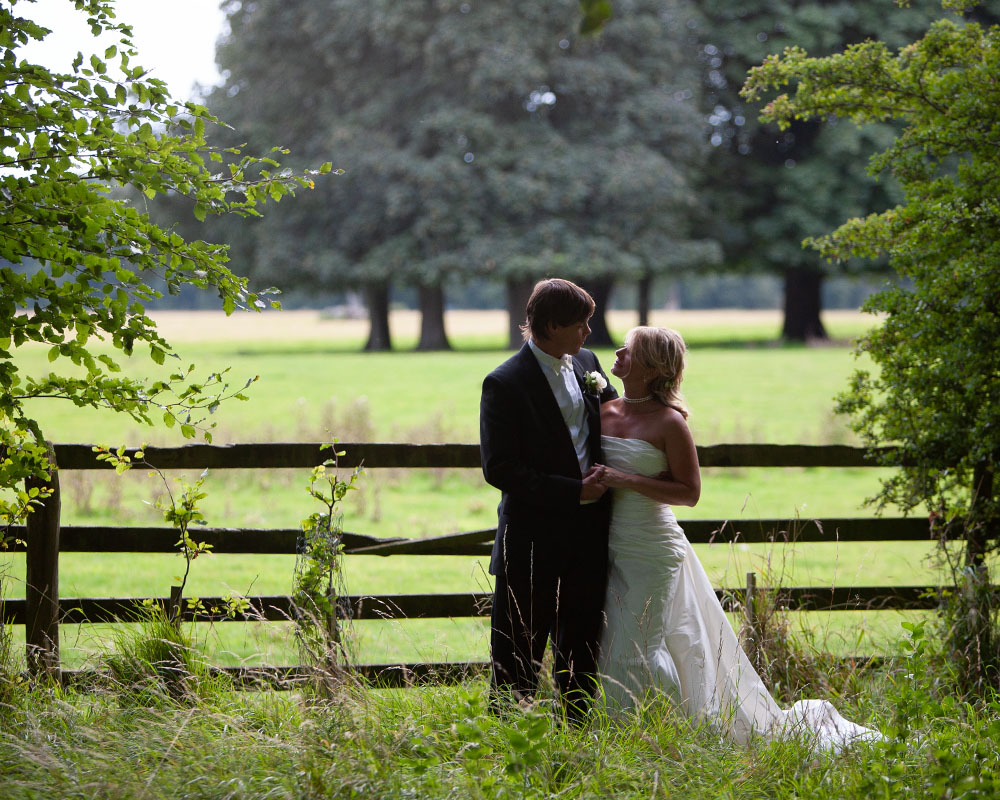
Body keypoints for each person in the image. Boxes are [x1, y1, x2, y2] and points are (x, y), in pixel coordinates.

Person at [591, 326, 881, 751]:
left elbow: (689, 493)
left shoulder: (670, 423)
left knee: (636, 648)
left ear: (652, 368)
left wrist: (623, 478)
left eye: (629, 350)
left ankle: (681, 733)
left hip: (652, 548)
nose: (617, 352)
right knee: (612, 640)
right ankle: (628, 732)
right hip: (607, 544)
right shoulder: (603, 410)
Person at [480, 278, 618, 720]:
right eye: (581, 324)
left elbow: (616, 419)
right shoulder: (504, 382)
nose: (588, 333)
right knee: (519, 640)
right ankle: (508, 729)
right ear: (552, 325)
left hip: (591, 530)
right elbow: (499, 469)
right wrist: (573, 490)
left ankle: (576, 724)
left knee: (582, 635)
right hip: (532, 534)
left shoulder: (588, 364)